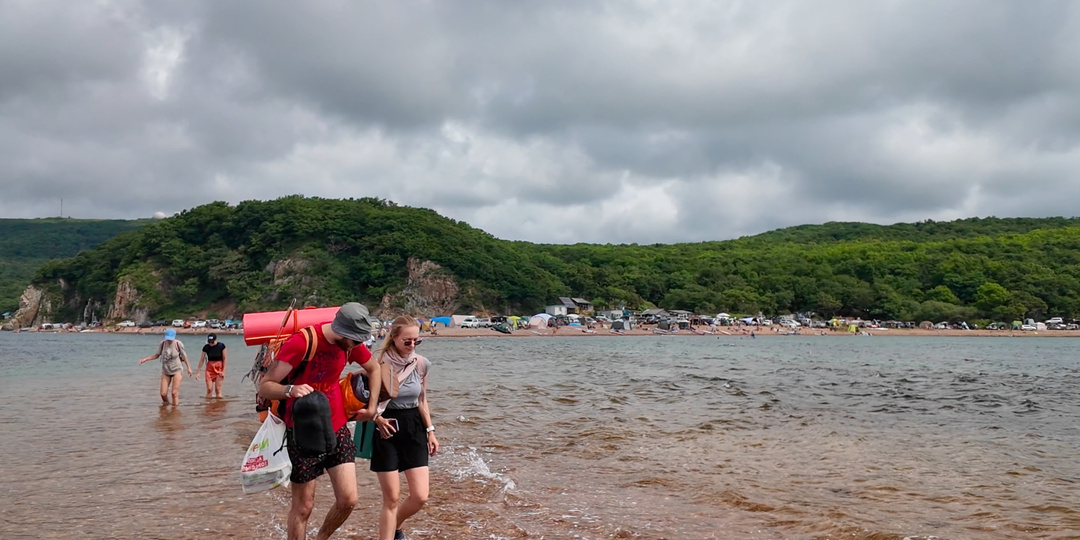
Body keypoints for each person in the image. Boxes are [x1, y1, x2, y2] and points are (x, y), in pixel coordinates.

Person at [257, 303, 383, 540]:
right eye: (355, 340)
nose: (358, 346)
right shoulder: (302, 342)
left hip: (336, 426)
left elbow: (374, 369)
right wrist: (290, 390)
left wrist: (372, 407)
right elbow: (265, 386)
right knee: (304, 506)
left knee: (348, 499)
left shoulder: (350, 345)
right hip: (301, 432)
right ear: (342, 331)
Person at [371, 316, 439, 540]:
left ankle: (394, 528)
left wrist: (430, 431)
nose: (411, 346)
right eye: (407, 341)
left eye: (416, 341)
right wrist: (377, 419)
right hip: (386, 427)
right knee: (391, 499)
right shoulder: (378, 365)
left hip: (414, 428)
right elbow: (367, 403)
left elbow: (422, 399)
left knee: (420, 496)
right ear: (394, 338)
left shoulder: (421, 363)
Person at [139, 328, 192, 406]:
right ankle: (166, 408)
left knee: (174, 393)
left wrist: (189, 368)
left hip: (177, 370)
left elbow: (184, 356)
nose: (169, 340)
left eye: (170, 339)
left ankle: (175, 411)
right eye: (168, 339)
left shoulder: (178, 343)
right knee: (163, 394)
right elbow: (157, 355)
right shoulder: (163, 343)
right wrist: (146, 359)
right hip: (166, 371)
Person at [194, 333, 227, 398]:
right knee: (209, 389)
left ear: (216, 340)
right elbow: (202, 359)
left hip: (219, 367)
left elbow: (224, 359)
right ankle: (208, 406)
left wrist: (223, 371)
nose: (211, 344)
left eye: (212, 342)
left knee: (218, 390)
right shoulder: (206, 347)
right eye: (209, 342)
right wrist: (198, 372)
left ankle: (220, 406)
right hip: (209, 368)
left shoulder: (221, 346)